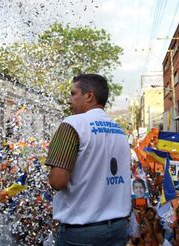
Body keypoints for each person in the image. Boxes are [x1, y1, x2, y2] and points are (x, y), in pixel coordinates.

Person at [45, 74, 131, 246]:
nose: (69, 100)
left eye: (73, 93)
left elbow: (57, 181)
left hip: (82, 232)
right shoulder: (119, 131)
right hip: (119, 229)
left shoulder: (72, 124)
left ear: (89, 96)